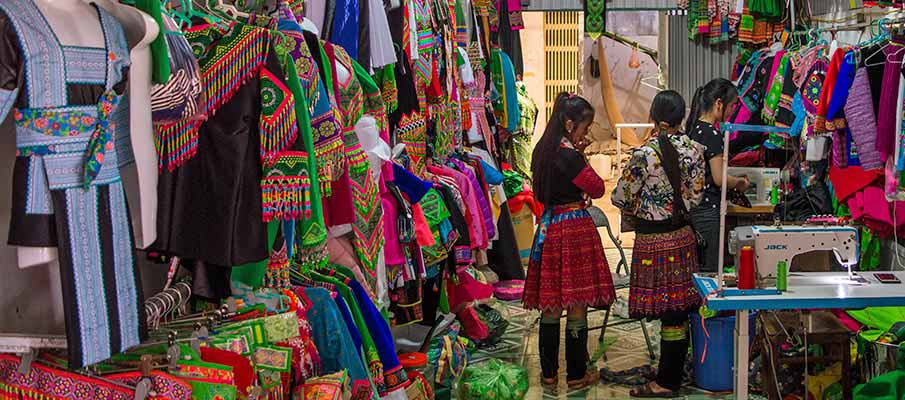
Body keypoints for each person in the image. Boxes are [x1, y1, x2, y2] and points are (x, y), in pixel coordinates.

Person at [612, 90, 706, 398]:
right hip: (682, 238)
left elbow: (620, 196)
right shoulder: (695, 149)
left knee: (667, 312)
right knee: (677, 311)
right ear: (681, 117)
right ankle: (671, 373)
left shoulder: (645, 154)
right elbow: (696, 196)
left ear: (654, 116)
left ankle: (666, 381)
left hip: (654, 241)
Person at [523, 92, 616, 390]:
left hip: (548, 229)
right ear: (568, 123)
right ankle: (576, 375)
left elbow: (540, 193)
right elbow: (597, 188)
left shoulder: (541, 151)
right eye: (584, 129)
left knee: (550, 307)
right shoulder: (570, 155)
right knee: (576, 304)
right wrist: (582, 156)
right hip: (574, 229)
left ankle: (548, 374)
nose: (585, 134)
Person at [685, 78, 748, 273]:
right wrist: (739, 182)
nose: (731, 112)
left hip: (695, 209)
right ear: (718, 104)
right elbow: (720, 179)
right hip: (708, 211)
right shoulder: (712, 134)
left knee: (699, 267)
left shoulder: (693, 130)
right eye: (731, 106)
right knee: (710, 271)